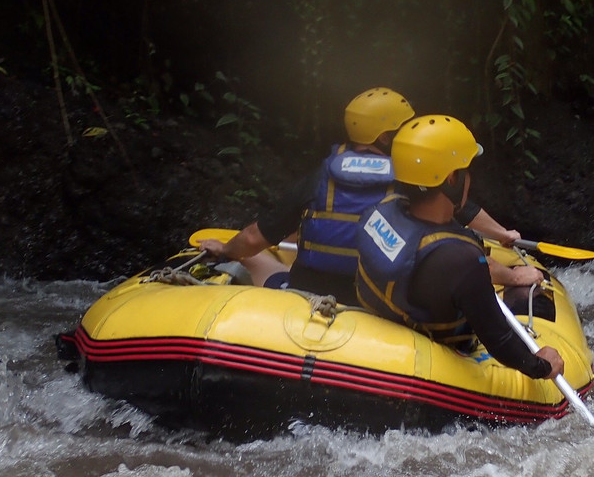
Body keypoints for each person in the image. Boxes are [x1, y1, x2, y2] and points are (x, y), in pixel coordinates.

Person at [199, 88, 523, 303]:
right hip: (376, 302)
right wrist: (505, 244)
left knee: (251, 255)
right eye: (404, 127)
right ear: (385, 136)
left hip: (307, 294)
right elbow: (461, 224)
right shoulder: (412, 178)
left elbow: (255, 236)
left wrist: (227, 250)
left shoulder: (320, 177)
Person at [354, 114, 564, 380]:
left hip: (378, 336)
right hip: (434, 361)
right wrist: (541, 366)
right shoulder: (461, 259)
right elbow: (500, 342)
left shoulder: (381, 210)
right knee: (523, 299)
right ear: (452, 178)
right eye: (466, 171)